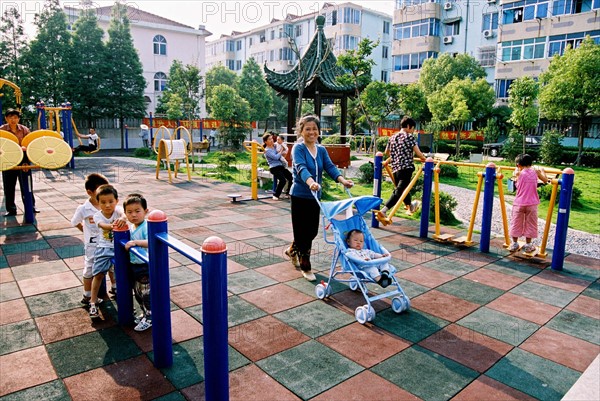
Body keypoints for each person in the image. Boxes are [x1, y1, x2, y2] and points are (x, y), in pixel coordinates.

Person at [286, 115, 354, 281]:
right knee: (302, 232)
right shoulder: (298, 148)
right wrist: (310, 182)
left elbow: (330, 167)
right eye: (307, 129)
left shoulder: (321, 150)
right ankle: (305, 265)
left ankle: (292, 250)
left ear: (319, 131)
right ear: (301, 131)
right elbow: (300, 168)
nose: (311, 132)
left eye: (314, 129)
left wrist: (342, 180)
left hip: (315, 197)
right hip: (300, 196)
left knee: (312, 231)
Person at [71, 173, 118, 305]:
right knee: (90, 267)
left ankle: (115, 287)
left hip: (108, 243)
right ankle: (87, 295)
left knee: (112, 266)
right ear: (90, 192)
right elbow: (74, 222)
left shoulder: (108, 207)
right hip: (92, 245)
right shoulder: (83, 208)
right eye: (99, 191)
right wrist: (85, 232)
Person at [89, 184, 126, 319]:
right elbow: (103, 225)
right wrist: (113, 226)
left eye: (111, 201)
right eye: (103, 202)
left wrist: (122, 218)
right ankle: (93, 302)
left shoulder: (118, 211)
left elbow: (124, 213)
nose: (108, 205)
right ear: (98, 203)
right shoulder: (97, 215)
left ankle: (126, 302)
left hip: (118, 248)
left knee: (123, 274)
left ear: (116, 201)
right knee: (98, 274)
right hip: (103, 248)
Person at [380, 116, 426, 216]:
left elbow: (386, 152)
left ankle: (411, 205)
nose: (413, 131)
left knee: (403, 190)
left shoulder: (392, 137)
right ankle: (384, 210)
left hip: (395, 169)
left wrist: (397, 153)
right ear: (409, 126)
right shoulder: (409, 137)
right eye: (413, 129)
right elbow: (418, 153)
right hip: (406, 169)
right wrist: (425, 159)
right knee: (399, 191)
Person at [1, 108, 38, 217]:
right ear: (6, 118)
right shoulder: (2, 130)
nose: (13, 120)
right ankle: (11, 209)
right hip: (8, 159)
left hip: (23, 159)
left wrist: (25, 147)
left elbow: (30, 142)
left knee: (27, 184)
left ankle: (31, 206)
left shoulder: (24, 129)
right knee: (9, 185)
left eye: (16, 117)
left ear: (18, 119)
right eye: (11, 117)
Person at [123, 193, 152, 331]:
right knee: (138, 292)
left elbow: (151, 242)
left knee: (146, 293)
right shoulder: (132, 226)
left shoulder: (146, 226)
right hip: (135, 265)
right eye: (129, 212)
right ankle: (146, 313)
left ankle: (150, 316)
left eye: (137, 211)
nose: (133, 215)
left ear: (145, 211)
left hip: (144, 265)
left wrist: (136, 242)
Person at [508, 154, 548, 253]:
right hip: (532, 204)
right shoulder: (535, 172)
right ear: (531, 163)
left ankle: (514, 243)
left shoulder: (518, 173)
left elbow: (516, 179)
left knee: (516, 222)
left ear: (518, 165)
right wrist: (542, 171)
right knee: (531, 223)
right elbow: (545, 180)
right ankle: (528, 245)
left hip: (519, 203)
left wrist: (517, 170)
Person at [263, 132, 293, 201]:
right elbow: (276, 157)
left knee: (291, 177)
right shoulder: (267, 150)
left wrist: (282, 149)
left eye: (271, 138)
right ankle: (276, 195)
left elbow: (282, 146)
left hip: (280, 166)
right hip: (274, 168)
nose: (272, 140)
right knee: (283, 180)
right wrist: (281, 151)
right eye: (269, 139)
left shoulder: (274, 146)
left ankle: (287, 193)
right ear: (266, 142)